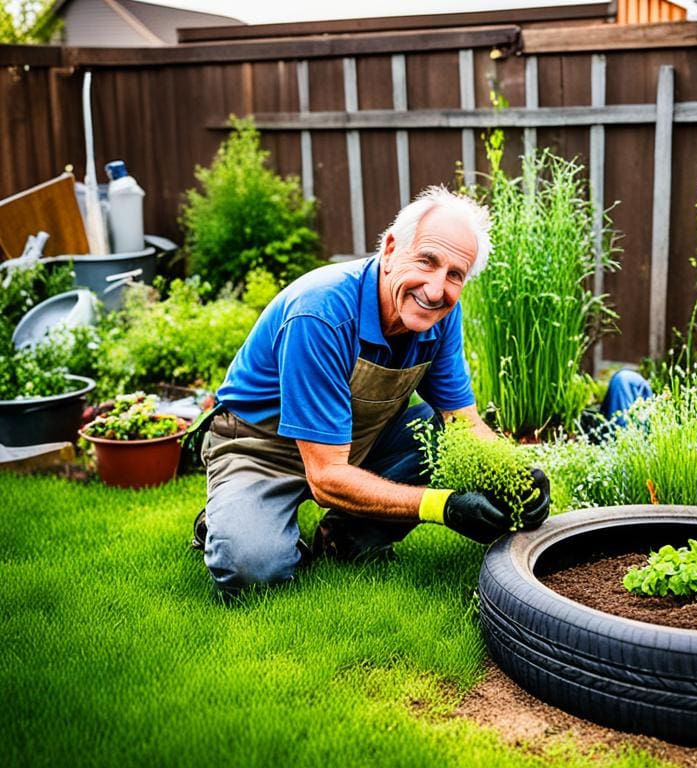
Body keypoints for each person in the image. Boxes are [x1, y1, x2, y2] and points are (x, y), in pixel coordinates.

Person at [190, 187, 550, 595]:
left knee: (438, 437)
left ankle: (344, 538)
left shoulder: (439, 316)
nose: (436, 289)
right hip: (262, 447)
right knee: (254, 568)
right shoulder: (321, 313)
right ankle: (227, 519)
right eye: (427, 261)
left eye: (455, 275)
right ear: (392, 248)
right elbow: (326, 477)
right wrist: (442, 506)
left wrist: (515, 474)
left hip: (356, 438)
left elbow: (461, 423)